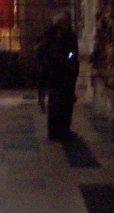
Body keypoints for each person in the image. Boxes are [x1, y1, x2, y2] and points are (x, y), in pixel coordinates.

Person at [42, 11, 80, 141]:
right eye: (60, 22)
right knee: (54, 104)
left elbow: (73, 53)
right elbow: (45, 50)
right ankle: (53, 131)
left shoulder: (70, 36)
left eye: (64, 22)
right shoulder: (50, 36)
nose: (62, 24)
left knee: (67, 104)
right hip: (54, 73)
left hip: (67, 73)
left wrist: (69, 58)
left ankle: (64, 130)